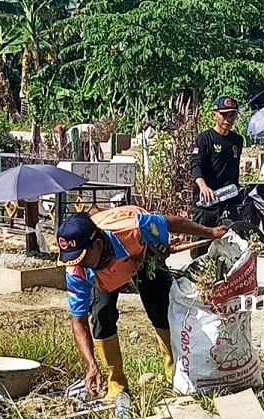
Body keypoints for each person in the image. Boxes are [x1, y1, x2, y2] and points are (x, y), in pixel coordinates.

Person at [57, 205, 227, 400]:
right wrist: (90, 364)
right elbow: (78, 320)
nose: (77, 264)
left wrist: (210, 232)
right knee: (102, 315)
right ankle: (117, 386)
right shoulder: (77, 270)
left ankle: (176, 372)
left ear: (96, 245)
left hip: (143, 251)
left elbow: (168, 222)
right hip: (104, 275)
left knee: (159, 307)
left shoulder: (132, 229)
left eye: (81, 258)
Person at [190, 95, 244, 258]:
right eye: (224, 114)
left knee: (232, 244)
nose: (228, 118)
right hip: (207, 201)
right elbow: (196, 165)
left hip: (229, 201)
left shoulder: (237, 141)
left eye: (232, 115)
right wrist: (203, 186)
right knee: (201, 245)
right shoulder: (205, 139)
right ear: (215, 114)